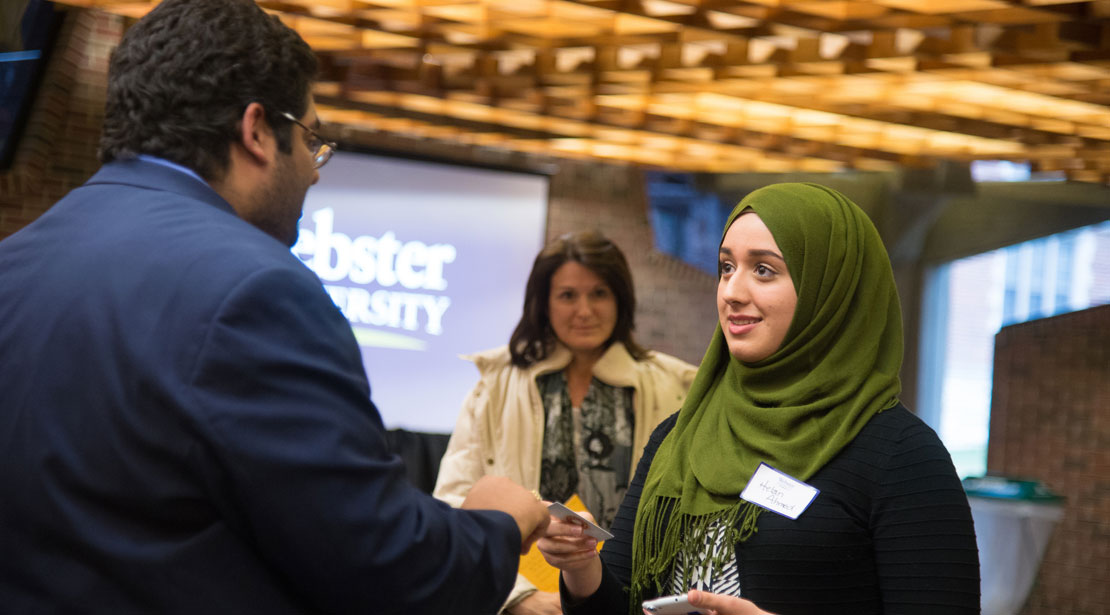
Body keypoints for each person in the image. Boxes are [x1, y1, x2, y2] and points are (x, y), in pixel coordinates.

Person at [0, 1, 549, 613]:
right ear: (257, 129)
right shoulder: (256, 289)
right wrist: (497, 520)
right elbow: (391, 574)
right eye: (311, 139)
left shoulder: (14, 260)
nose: (314, 175)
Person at [537, 183, 981, 614]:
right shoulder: (681, 435)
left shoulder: (902, 456)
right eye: (726, 267)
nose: (732, 291)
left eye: (764, 269)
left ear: (827, 291)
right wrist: (581, 567)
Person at [433, 230, 698, 615]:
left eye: (599, 293)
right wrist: (520, 598)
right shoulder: (498, 382)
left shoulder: (675, 386)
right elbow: (454, 502)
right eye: (568, 295)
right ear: (543, 303)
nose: (585, 310)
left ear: (620, 299)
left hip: (630, 602)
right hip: (520, 600)